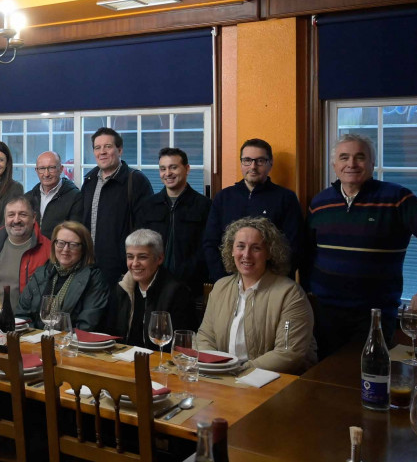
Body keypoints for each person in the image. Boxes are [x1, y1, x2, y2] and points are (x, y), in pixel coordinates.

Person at [305, 133, 417, 358]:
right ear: (334, 164)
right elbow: (308, 252)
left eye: (360, 157)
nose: (351, 164)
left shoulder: (396, 198)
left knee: (370, 382)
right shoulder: (320, 203)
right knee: (325, 381)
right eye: (344, 157)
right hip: (325, 314)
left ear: (372, 163)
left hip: (374, 316)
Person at [197, 217, 317, 375]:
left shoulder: (290, 294)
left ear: (269, 252)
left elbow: (289, 353)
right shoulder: (220, 287)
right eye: (240, 246)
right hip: (223, 377)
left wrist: (239, 370)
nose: (246, 255)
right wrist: (216, 367)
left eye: (256, 248)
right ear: (231, 250)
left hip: (273, 382)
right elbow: (205, 337)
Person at [203, 138, 303, 282]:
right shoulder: (223, 197)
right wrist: (224, 279)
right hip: (228, 282)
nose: (253, 166)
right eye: (247, 160)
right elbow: (210, 243)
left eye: (260, 161)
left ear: (270, 163)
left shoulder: (286, 198)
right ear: (241, 163)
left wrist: (272, 280)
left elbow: (294, 246)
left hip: (271, 284)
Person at [81, 127, 153, 286]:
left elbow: (145, 228)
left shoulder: (136, 181)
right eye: (97, 148)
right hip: (89, 267)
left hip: (122, 272)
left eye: (108, 146)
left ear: (119, 150)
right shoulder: (89, 181)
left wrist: (129, 263)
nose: (102, 152)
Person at [136, 147, 211, 298]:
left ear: (187, 169)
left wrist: (189, 271)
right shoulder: (148, 206)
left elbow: (207, 246)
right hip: (153, 283)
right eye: (163, 168)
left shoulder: (204, 206)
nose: (167, 173)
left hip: (191, 286)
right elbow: (140, 243)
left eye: (173, 167)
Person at [105, 229, 196, 348]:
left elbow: (182, 343)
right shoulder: (121, 287)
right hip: (121, 359)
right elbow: (109, 333)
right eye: (130, 257)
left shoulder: (177, 292)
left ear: (159, 259)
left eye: (142, 257)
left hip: (159, 362)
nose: (135, 263)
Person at [16, 221, 109, 331]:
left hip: (70, 344)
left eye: (73, 245)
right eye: (60, 243)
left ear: (84, 249)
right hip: (35, 341)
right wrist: (35, 336)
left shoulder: (94, 278)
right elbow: (21, 313)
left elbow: (87, 325)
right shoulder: (42, 272)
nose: (65, 250)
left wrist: (57, 340)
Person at [25, 151, 83, 238]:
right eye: (42, 168)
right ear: (36, 171)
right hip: (32, 250)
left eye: (51, 168)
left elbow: (75, 234)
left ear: (61, 169)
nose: (46, 174)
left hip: (59, 250)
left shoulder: (75, 197)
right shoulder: (28, 197)